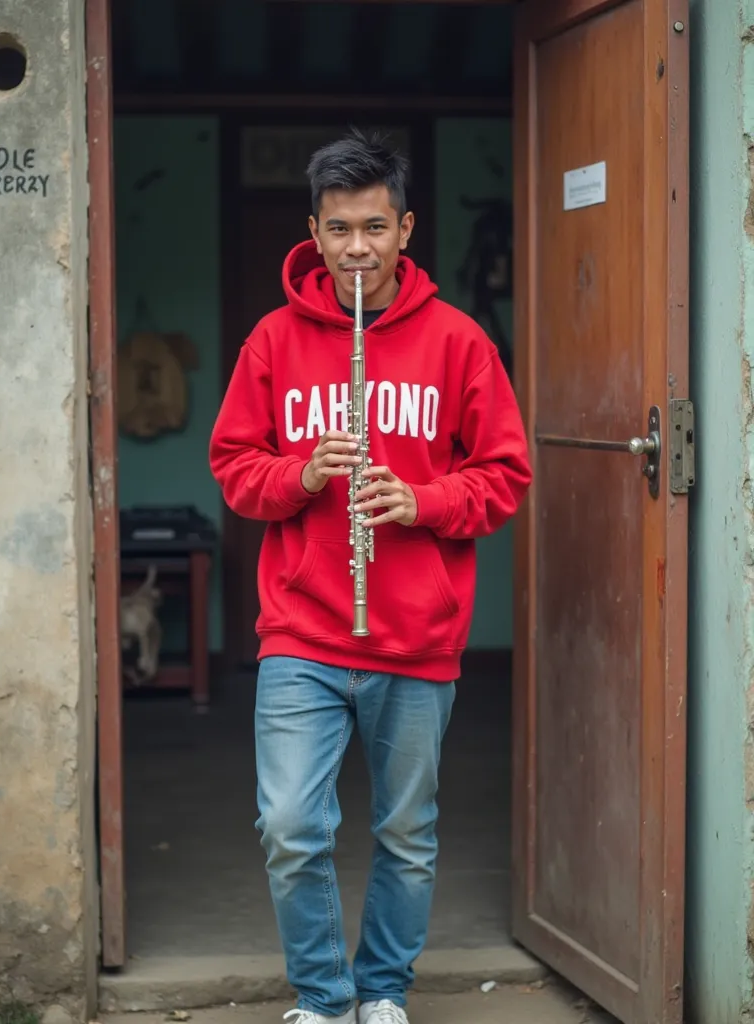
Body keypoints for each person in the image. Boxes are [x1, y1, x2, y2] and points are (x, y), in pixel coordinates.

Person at [209, 129, 532, 1024]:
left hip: (416, 637)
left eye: (376, 228)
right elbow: (235, 468)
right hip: (304, 632)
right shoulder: (274, 341)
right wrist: (304, 474)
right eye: (341, 228)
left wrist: (421, 502)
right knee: (290, 829)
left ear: (407, 229)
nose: (358, 248)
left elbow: (505, 476)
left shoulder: (460, 342)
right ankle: (323, 995)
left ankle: (383, 990)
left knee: (405, 835)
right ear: (314, 232)